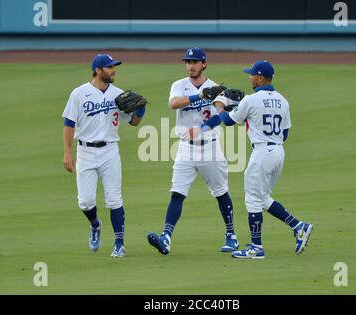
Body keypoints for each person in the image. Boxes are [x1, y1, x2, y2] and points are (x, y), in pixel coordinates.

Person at [214, 60, 313, 259]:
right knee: (263, 198)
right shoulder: (283, 100)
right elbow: (284, 134)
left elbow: (227, 121)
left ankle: (256, 248)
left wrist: (220, 105)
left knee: (252, 200)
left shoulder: (251, 100)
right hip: (278, 153)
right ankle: (298, 226)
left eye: (251, 74)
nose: (249, 77)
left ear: (260, 77)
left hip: (261, 154)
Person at [146, 47, 239, 255]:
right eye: (187, 62)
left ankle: (231, 235)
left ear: (204, 64)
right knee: (177, 193)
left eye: (194, 62)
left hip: (211, 148)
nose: (190, 66)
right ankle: (166, 238)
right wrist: (199, 96)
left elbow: (221, 115)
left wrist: (203, 127)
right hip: (185, 149)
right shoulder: (179, 85)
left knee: (221, 192)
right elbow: (173, 104)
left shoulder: (215, 87)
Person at [62, 54, 146, 258]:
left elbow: (133, 122)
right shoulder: (79, 93)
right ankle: (95, 225)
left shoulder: (119, 94)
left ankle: (119, 243)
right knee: (85, 201)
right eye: (109, 67)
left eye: (114, 67)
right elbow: (69, 123)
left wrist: (141, 111)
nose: (114, 70)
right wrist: (67, 152)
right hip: (85, 152)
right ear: (98, 70)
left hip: (110, 151)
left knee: (114, 199)